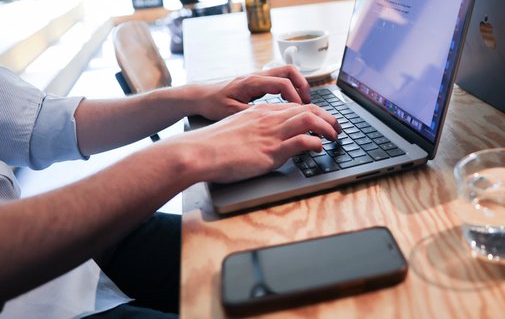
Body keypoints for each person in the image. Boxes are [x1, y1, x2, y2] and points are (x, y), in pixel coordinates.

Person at [0, 65, 341, 318]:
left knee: (287, 258)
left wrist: (193, 96)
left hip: (76, 255)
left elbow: (41, 123)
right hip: (32, 303)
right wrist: (189, 153)